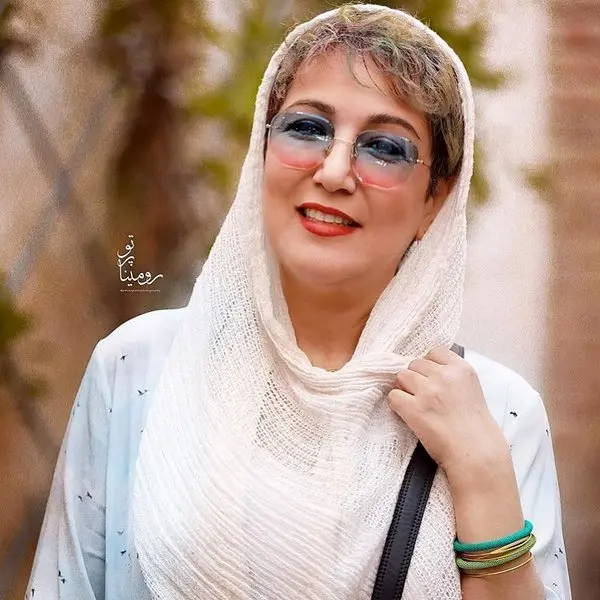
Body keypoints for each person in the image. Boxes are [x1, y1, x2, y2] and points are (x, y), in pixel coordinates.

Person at [26, 4, 571, 599]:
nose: (334, 171)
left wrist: (482, 474)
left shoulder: (498, 415)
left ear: (434, 200)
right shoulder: (140, 368)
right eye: (307, 128)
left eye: (385, 147)